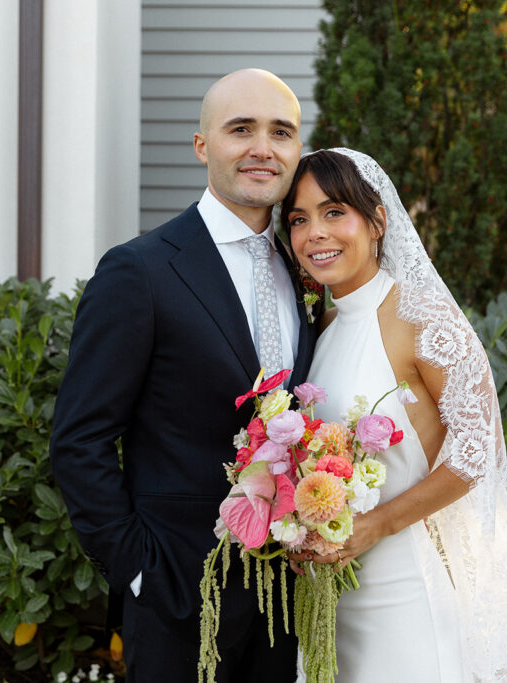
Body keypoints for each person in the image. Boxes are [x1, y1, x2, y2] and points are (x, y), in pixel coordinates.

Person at [281, 149, 507, 682]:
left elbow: (478, 450)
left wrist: (377, 524)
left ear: (377, 221)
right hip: (336, 589)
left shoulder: (423, 317)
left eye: (334, 211)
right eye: (299, 219)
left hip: (411, 585)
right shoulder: (323, 327)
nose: (315, 232)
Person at [50, 69, 315, 682]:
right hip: (178, 597)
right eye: (240, 129)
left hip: (291, 598)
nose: (263, 148)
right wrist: (140, 572)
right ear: (202, 145)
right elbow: (80, 440)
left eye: (281, 132)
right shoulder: (139, 271)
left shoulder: (308, 268)